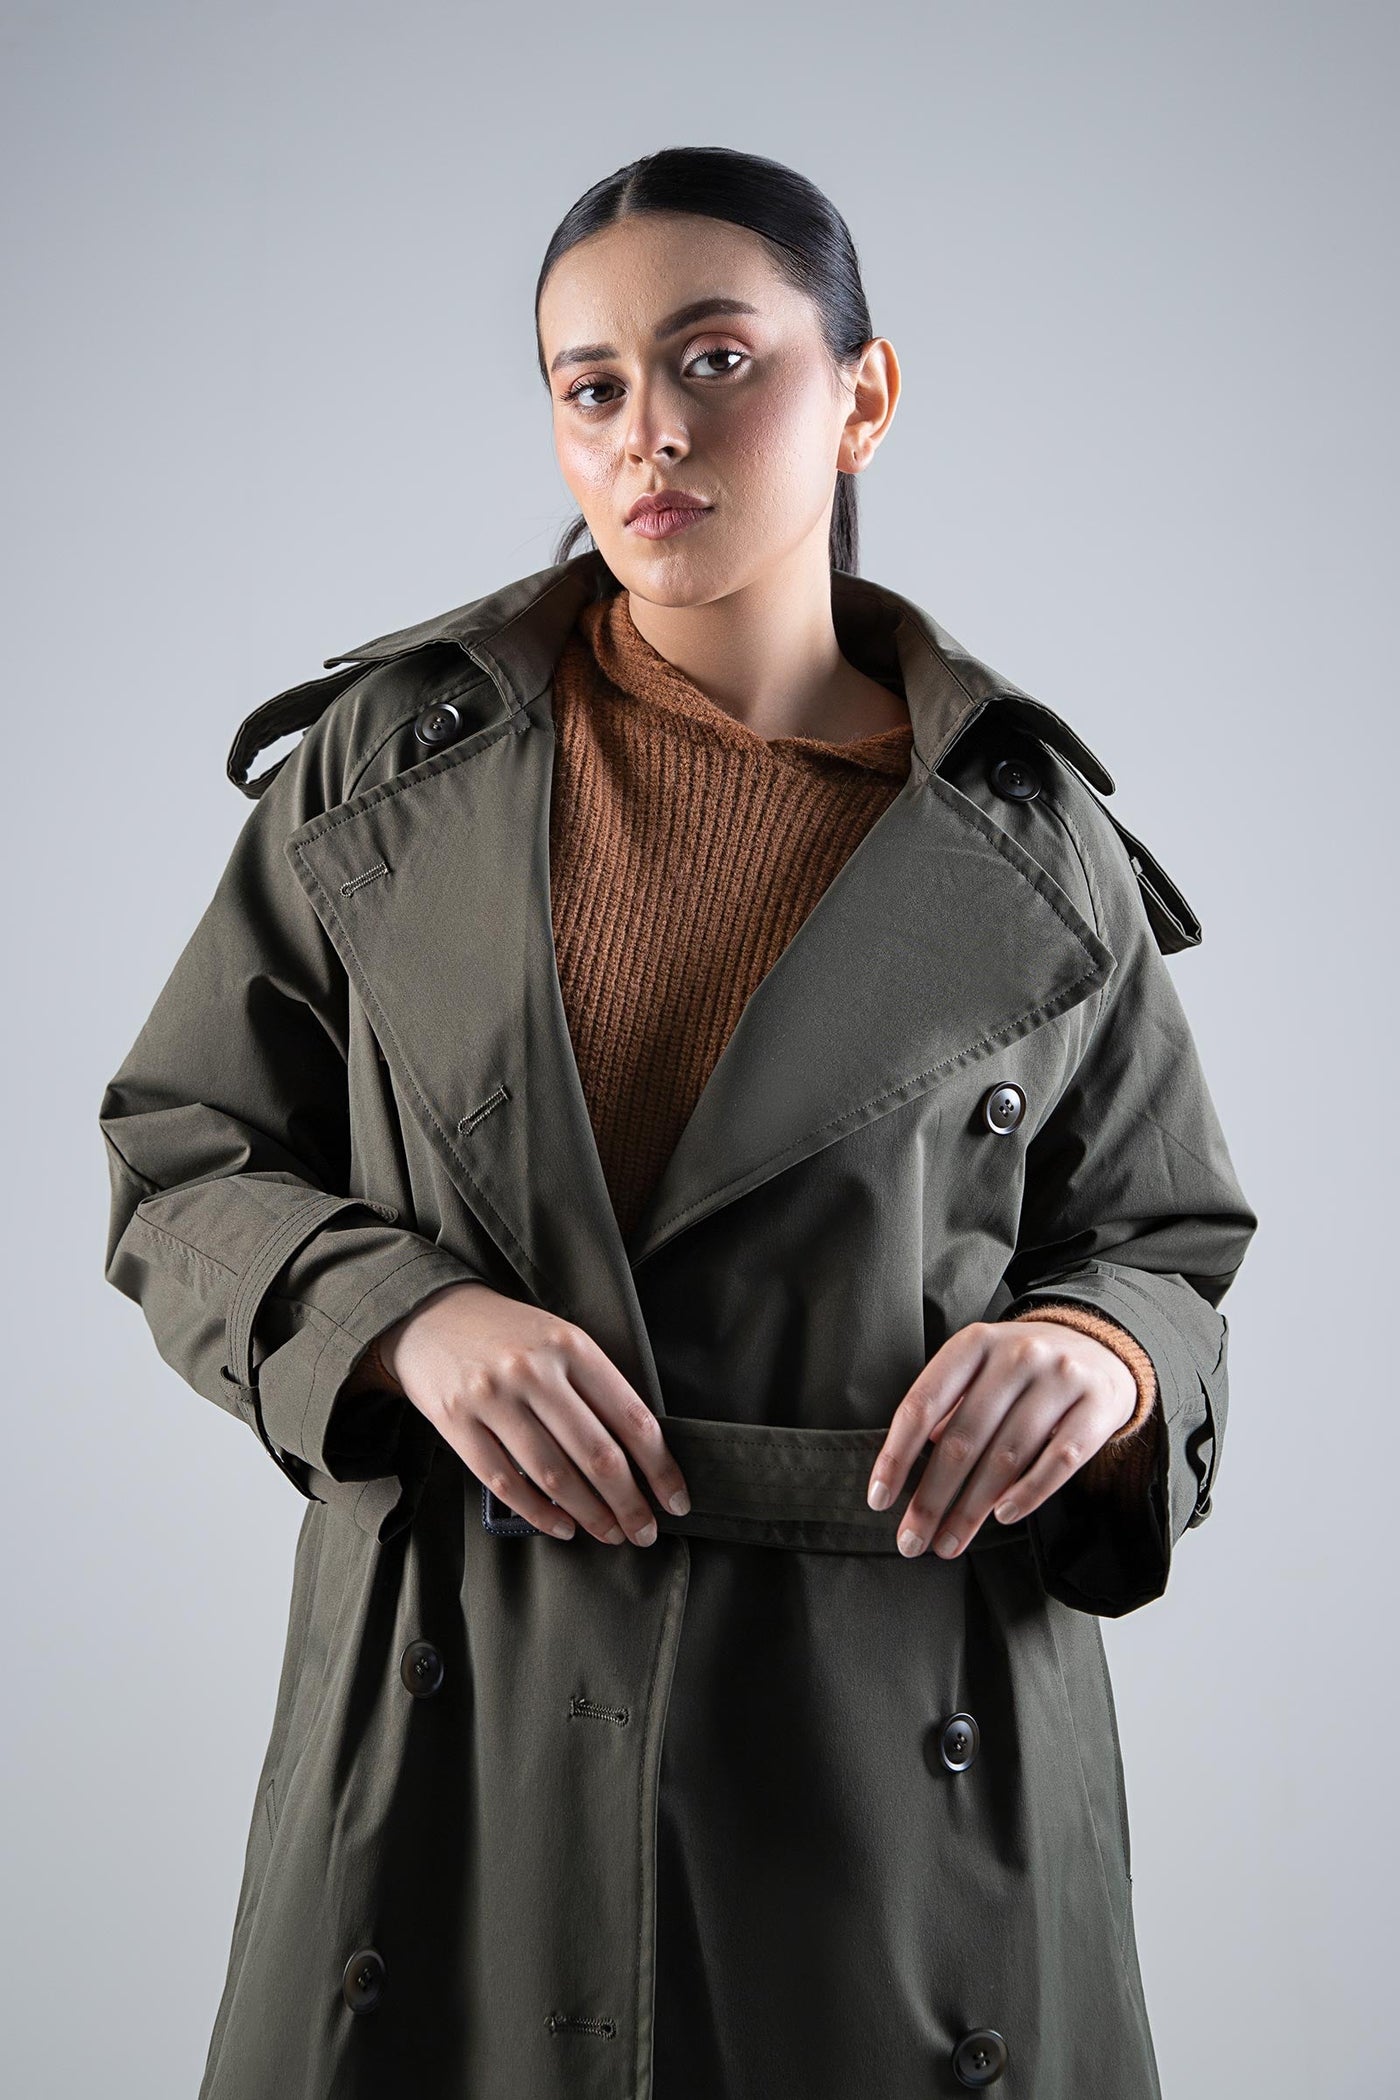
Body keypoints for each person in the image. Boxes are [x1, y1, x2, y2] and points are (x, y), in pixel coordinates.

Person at [98, 146, 1257, 2099]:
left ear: (863, 396)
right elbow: (180, 1150)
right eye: (594, 383)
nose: (651, 429)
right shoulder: (387, 771)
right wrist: (396, 1317)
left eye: (719, 361)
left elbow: (1163, 1243)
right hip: (467, 1707)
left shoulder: (1028, 836)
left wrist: (1104, 1356)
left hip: (890, 1734)